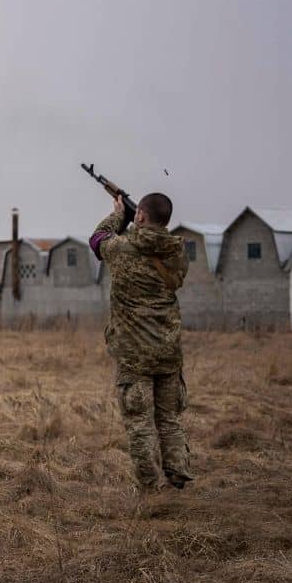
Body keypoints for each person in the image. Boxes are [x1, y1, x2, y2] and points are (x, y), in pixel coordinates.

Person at [90, 192, 191, 492]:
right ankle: (178, 475)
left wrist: (119, 215)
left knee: (140, 423)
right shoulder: (177, 252)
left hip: (135, 355)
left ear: (141, 216)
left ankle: (150, 487)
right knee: (169, 419)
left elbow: (97, 240)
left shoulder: (123, 248)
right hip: (169, 352)